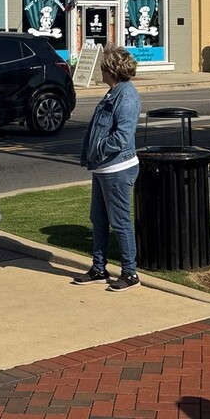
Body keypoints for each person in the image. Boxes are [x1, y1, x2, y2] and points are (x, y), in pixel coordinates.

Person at [75, 46, 143, 291]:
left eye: (103, 67)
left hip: (118, 168)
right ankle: (98, 267)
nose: (99, 71)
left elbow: (123, 137)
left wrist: (99, 149)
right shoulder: (112, 93)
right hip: (103, 168)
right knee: (98, 220)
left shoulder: (126, 96)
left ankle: (129, 273)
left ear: (111, 70)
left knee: (120, 221)